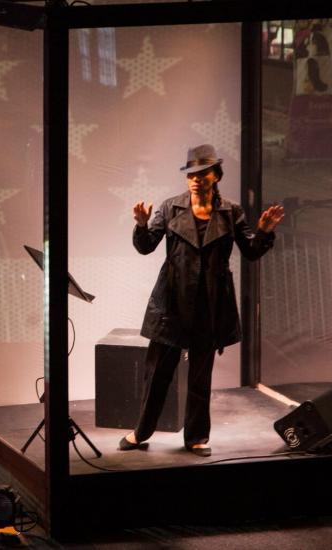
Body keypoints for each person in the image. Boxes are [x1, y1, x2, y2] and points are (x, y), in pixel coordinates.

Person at [120, 144, 284, 457]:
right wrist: (141, 225)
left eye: (202, 173)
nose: (195, 179)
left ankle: (196, 437)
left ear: (216, 175)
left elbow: (250, 251)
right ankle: (141, 432)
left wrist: (263, 232)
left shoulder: (230, 211)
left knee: (199, 377)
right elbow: (146, 246)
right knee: (157, 375)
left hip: (209, 307)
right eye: (191, 174)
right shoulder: (170, 207)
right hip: (171, 304)